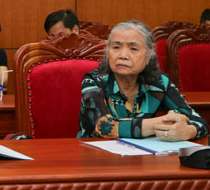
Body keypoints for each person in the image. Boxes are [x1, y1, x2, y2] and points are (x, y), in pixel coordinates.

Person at [78, 20, 208, 140]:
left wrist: (188, 131)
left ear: (148, 57)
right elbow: (105, 127)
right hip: (97, 154)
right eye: (116, 47)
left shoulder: (159, 83)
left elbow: (199, 121)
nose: (123, 55)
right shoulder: (93, 81)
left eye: (133, 49)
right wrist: (159, 124)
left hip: (142, 154)